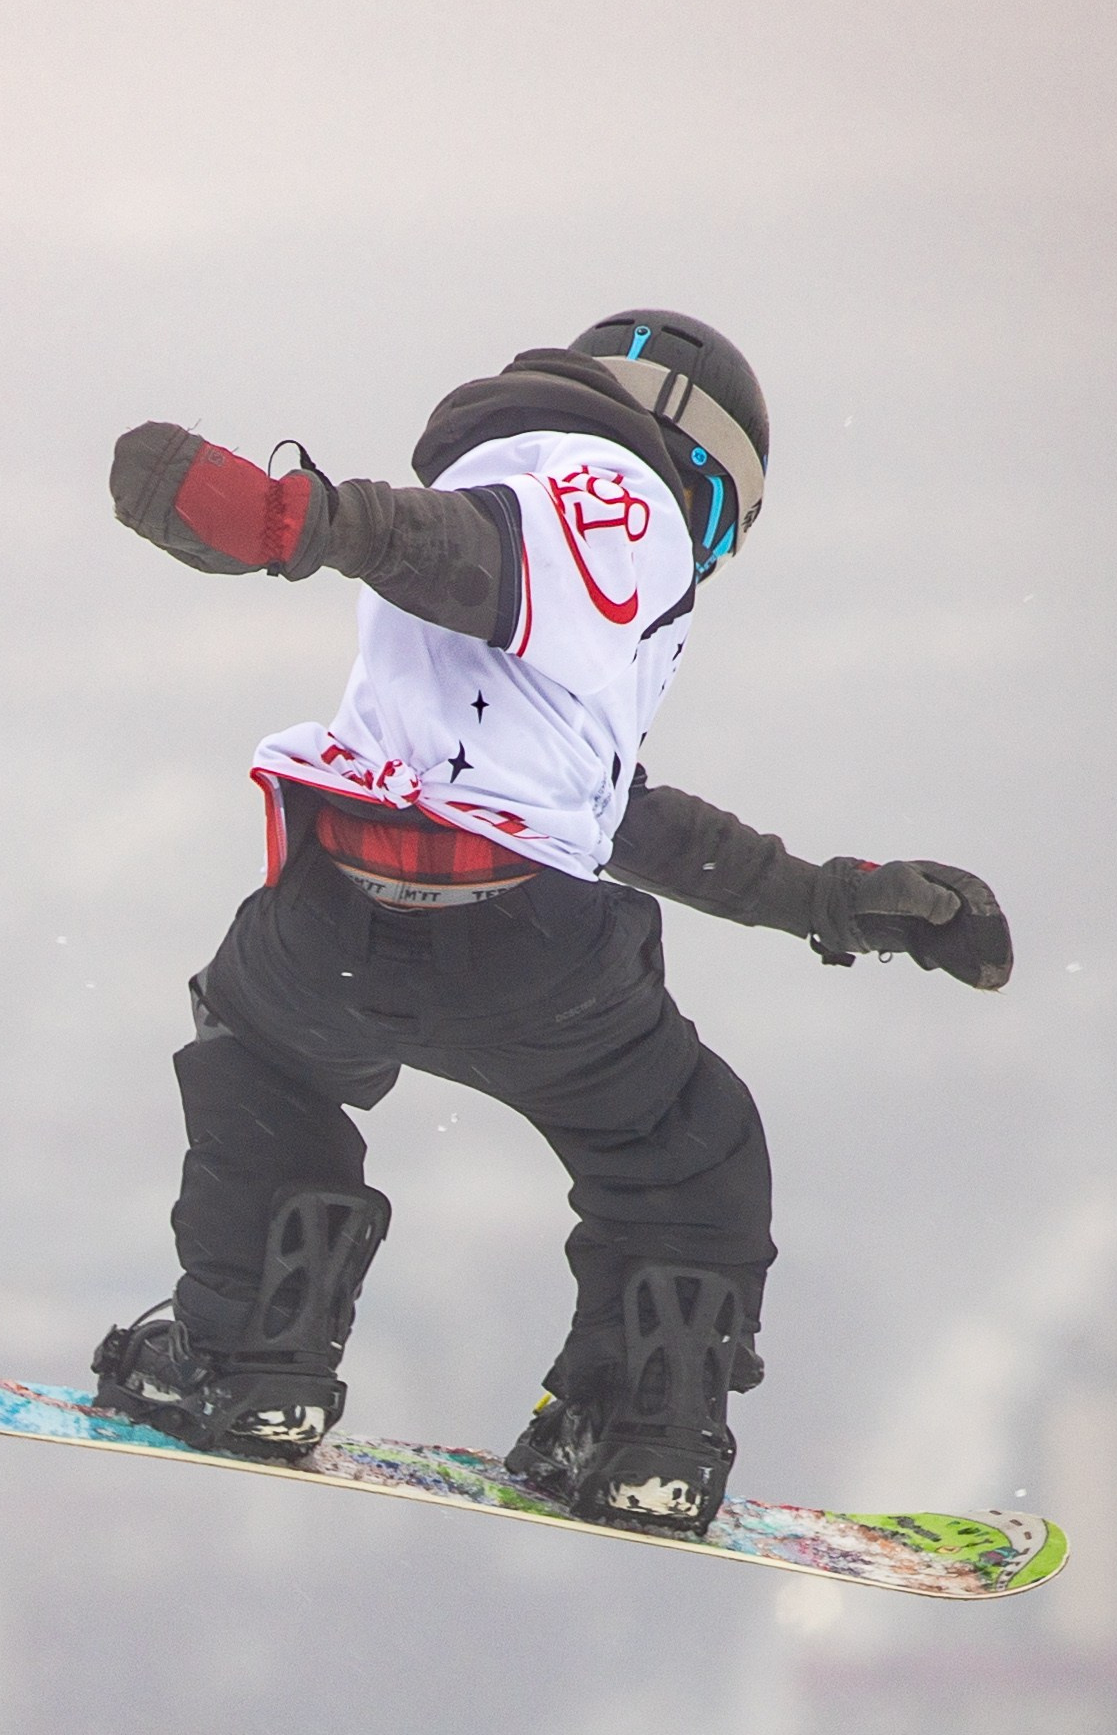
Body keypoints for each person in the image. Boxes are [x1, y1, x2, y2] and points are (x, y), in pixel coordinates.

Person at [91, 312, 1011, 1535]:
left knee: (259, 1045)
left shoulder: (535, 515)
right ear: (706, 462)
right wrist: (304, 522)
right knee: (687, 1151)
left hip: (340, 917)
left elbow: (604, 807)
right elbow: (472, 553)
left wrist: (826, 900)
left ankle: (252, 1357)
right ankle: (639, 1431)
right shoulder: (608, 483)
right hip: (525, 945)